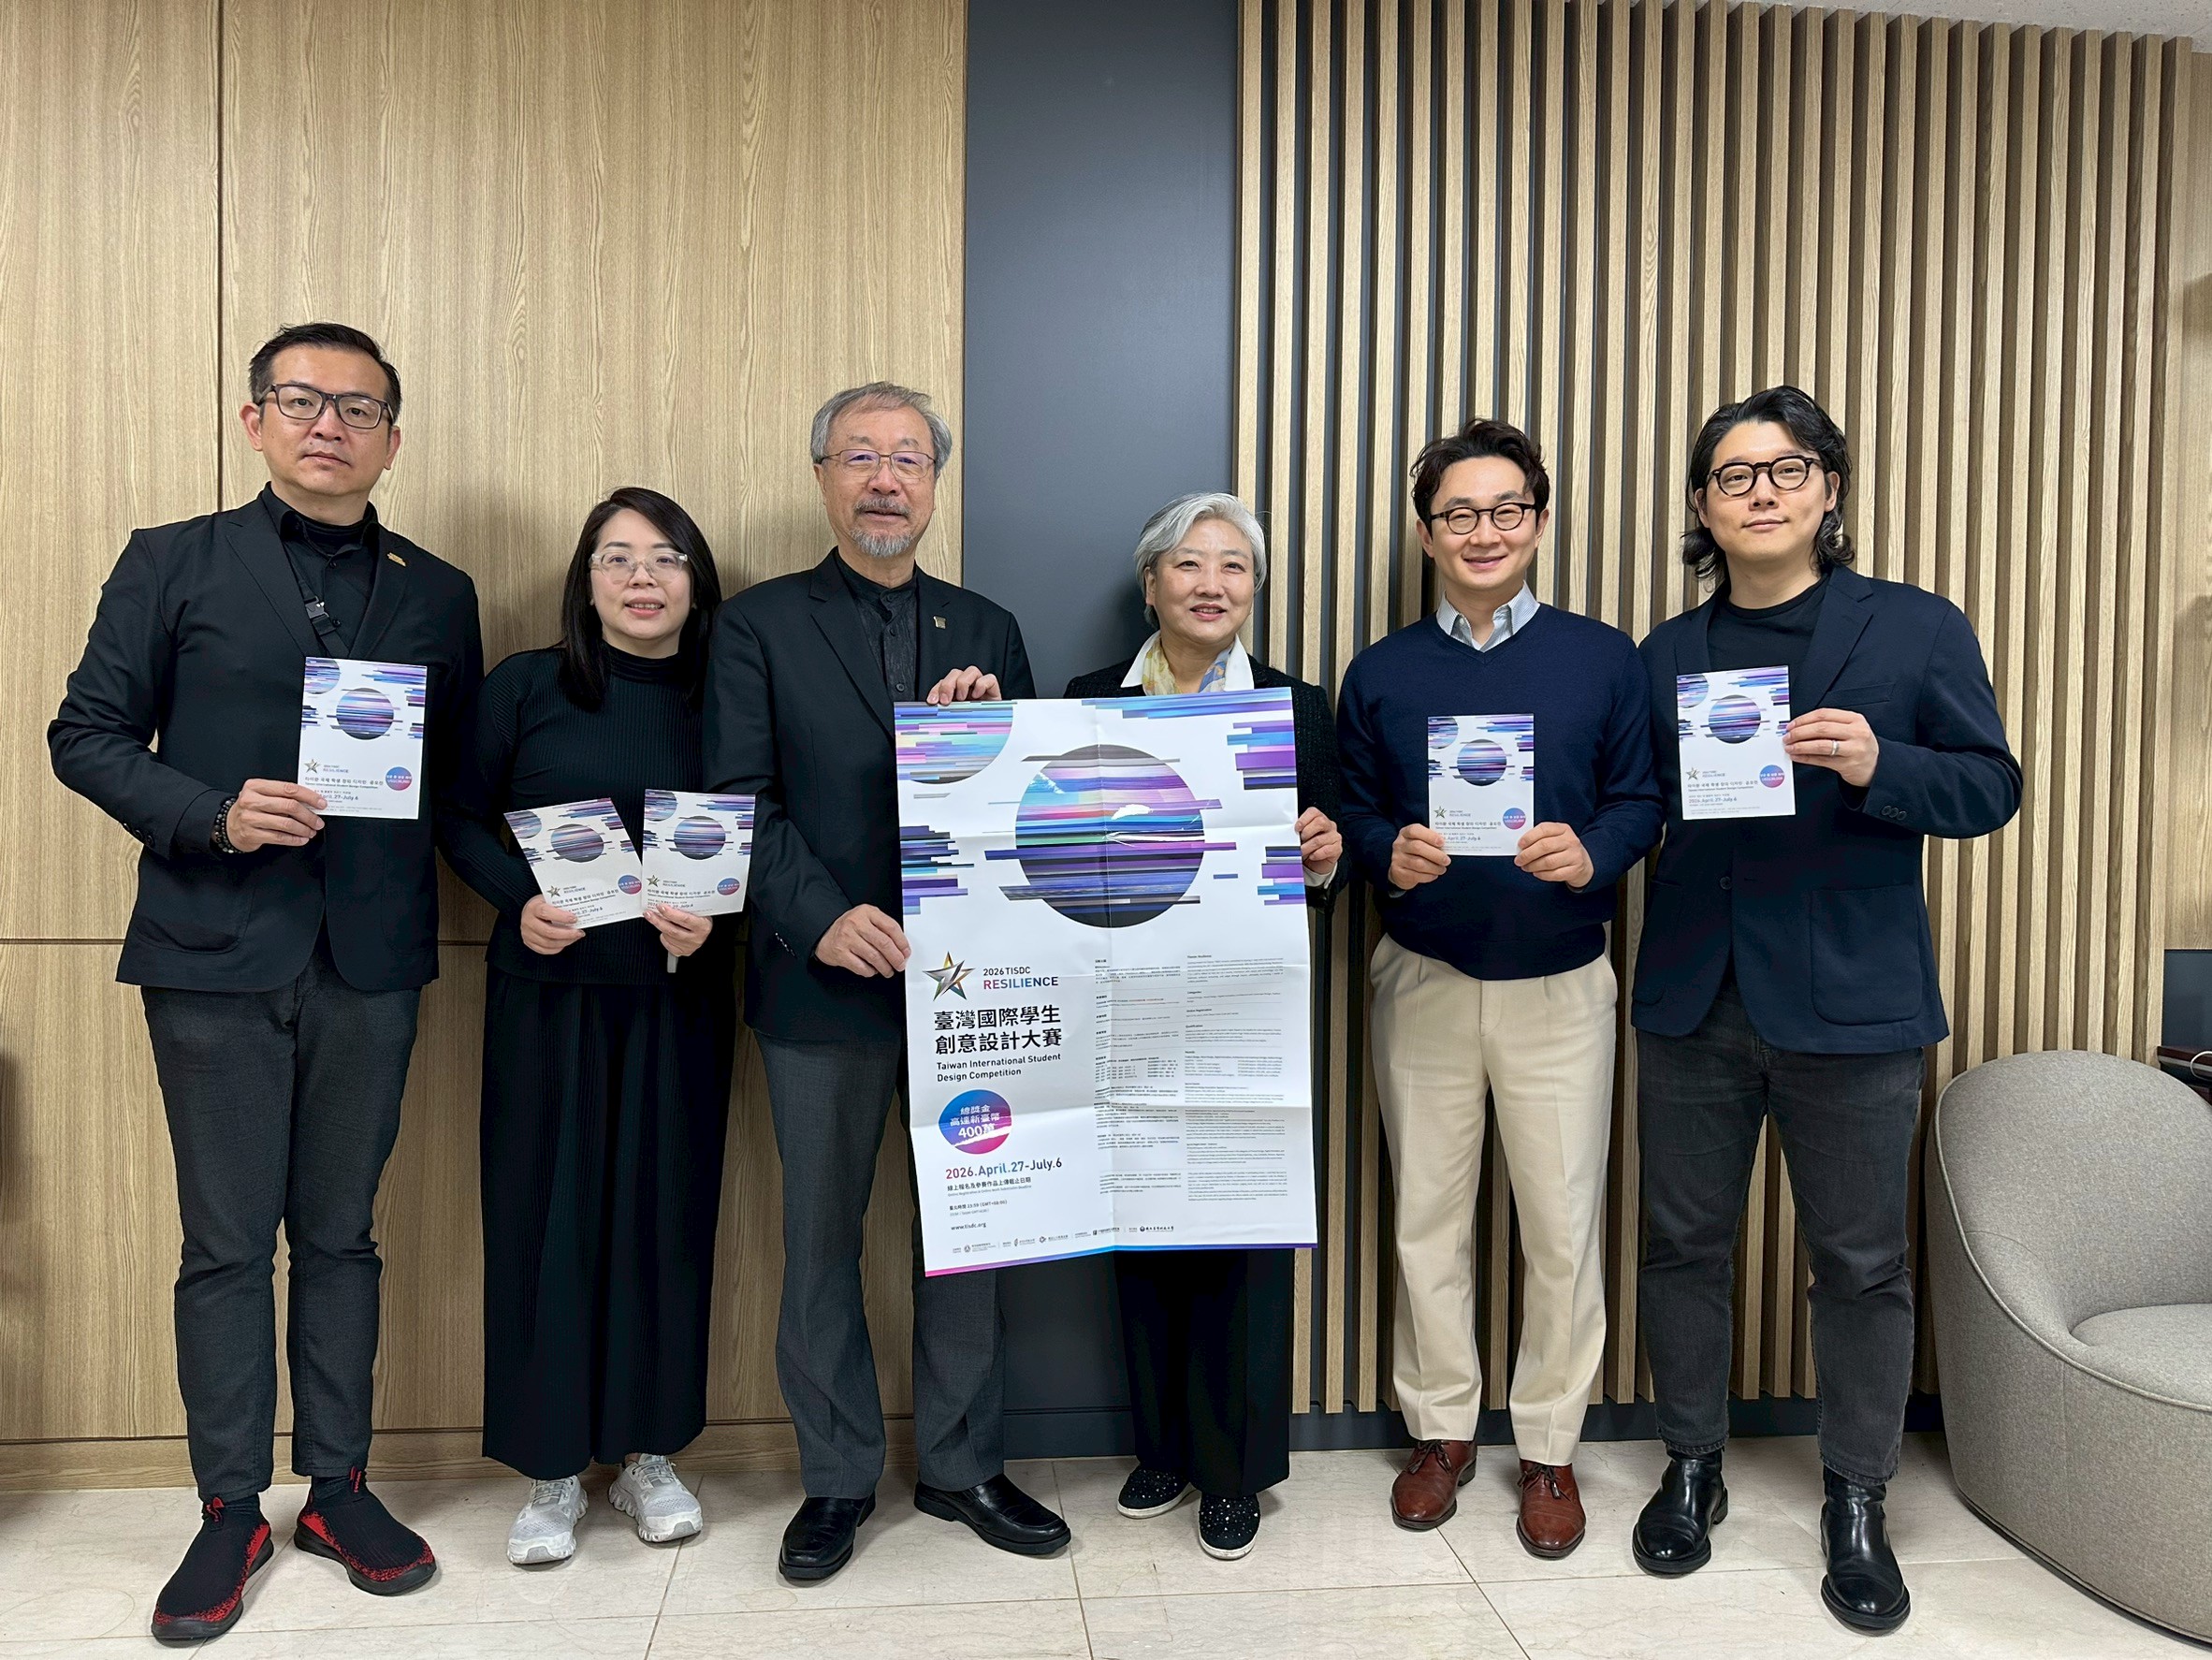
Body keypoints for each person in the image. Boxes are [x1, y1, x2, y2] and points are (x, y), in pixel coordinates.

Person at [49, 323, 482, 1641]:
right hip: (214, 950)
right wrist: (213, 814)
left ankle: (340, 1485)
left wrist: (551, 889)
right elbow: (87, 735)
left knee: (343, 1233)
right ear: (256, 421)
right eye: (303, 400)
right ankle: (229, 1503)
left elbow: (455, 783)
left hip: (374, 956)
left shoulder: (436, 590)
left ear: (393, 439)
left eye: (359, 408)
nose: (329, 425)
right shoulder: (172, 558)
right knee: (228, 1244)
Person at [1629, 386, 2020, 1633]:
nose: (1761, 491)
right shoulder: (1665, 652)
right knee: (1681, 1244)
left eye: (1786, 469)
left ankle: (1857, 1495)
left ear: (1830, 490)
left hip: (1853, 1006)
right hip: (1692, 995)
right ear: (1702, 506)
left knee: (1860, 1264)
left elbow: (1991, 786)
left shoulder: (1911, 629)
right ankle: (1691, 1464)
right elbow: (1640, 810)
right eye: (1733, 475)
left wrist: (1878, 764)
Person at [704, 382, 1068, 1582]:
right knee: (820, 1242)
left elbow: (1027, 807)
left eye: (907, 459)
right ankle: (836, 1475)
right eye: (859, 456)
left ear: (933, 482)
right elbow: (738, 806)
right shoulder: (756, 625)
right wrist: (821, 918)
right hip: (823, 986)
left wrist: (988, 723)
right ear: (822, 476)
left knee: (970, 1235)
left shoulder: (989, 628)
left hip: (973, 993)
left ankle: (962, 1465)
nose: (883, 479)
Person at [1336, 418, 1661, 1556]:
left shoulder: (1604, 656)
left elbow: (1641, 797)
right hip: (1422, 974)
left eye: (1506, 509)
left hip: (1563, 982)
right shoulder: (1379, 673)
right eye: (1459, 514)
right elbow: (1353, 804)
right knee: (1428, 1215)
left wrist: (1599, 851)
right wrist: (1386, 850)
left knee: (1562, 1224)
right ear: (1426, 532)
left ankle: (1552, 1446)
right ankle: (1439, 1431)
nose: (1484, 531)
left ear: (1539, 518)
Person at [444, 488, 734, 1565]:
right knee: (545, 1218)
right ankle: (553, 1471)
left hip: (680, 992)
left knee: (666, 1220)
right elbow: (460, 814)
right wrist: (512, 899)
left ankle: (650, 1458)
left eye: (665, 557)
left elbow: (765, 822)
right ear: (586, 578)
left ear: (697, 579)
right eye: (616, 558)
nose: (642, 577)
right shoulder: (525, 685)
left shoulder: (725, 694)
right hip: (548, 992)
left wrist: (726, 914)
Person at [1062, 491, 1344, 1561]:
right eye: (1189, 564)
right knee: (1139, 1227)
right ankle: (1163, 1448)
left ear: (1253, 591)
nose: (1212, 583)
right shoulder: (1089, 701)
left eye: (1234, 567)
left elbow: (1323, 867)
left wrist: (1325, 858)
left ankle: (1233, 1472)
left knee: (1238, 1236)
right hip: (1123, 1003)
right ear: (1151, 584)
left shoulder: (1294, 706)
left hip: (1243, 1010)